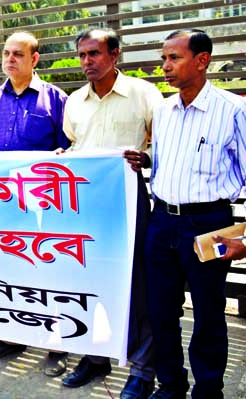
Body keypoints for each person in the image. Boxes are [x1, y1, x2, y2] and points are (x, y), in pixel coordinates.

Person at [58, 28, 162, 399]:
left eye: (94, 54)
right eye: (82, 55)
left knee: (138, 288)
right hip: (85, 206)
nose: (87, 62)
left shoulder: (144, 95)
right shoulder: (74, 101)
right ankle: (94, 357)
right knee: (90, 283)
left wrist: (147, 159)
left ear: (115, 54)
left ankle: (142, 370)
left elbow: (163, 146)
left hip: (128, 202)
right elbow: (74, 143)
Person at [146, 29, 246, 399]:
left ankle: (208, 391)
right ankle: (171, 385)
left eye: (174, 58)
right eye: (163, 59)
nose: (166, 67)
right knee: (160, 311)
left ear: (202, 60)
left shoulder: (233, 110)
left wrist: (245, 240)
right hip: (161, 224)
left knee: (207, 315)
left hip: (208, 226)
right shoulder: (163, 111)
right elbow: (171, 165)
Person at [0, 31, 70, 377]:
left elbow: (66, 156)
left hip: (41, 210)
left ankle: (57, 343)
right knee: (6, 273)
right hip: (0, 207)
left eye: (18, 53)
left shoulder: (56, 100)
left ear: (35, 59)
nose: (10, 59)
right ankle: (12, 335)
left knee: (48, 274)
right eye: (6, 53)